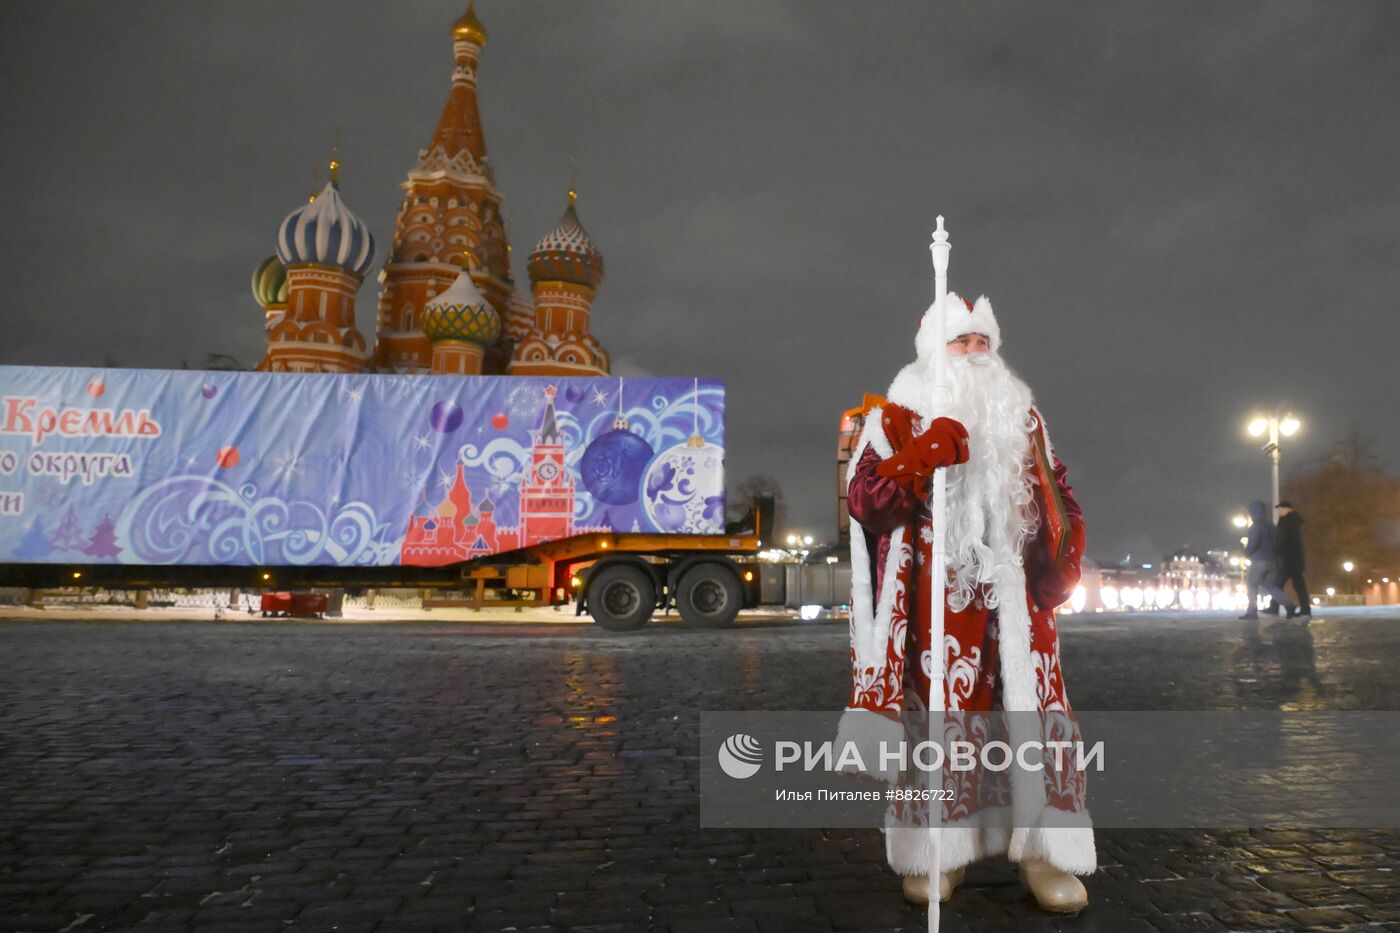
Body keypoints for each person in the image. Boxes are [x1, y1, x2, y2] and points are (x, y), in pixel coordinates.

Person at [838, 293, 1093, 914]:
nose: (976, 353)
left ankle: (1043, 854)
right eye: (962, 342)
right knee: (941, 720)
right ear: (933, 349)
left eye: (984, 342)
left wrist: (1065, 549)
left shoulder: (1022, 415)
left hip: (1014, 600)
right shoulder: (897, 414)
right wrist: (921, 455)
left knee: (1031, 720)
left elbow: (1056, 490)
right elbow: (866, 501)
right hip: (935, 602)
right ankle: (938, 854)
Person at [1240, 500, 1298, 620]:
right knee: (1271, 586)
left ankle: (1252, 611)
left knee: (1252, 585)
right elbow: (1278, 543)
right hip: (1273, 562)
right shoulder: (1271, 526)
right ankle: (1289, 605)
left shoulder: (1256, 526)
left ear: (1252, 513)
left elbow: (1253, 544)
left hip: (1259, 561)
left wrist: (1245, 554)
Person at [1269, 501, 1311, 617]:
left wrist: (1277, 551)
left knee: (1277, 584)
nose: (1279, 511)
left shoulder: (1286, 521)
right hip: (1295, 559)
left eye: (1281, 508)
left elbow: (1283, 540)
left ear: (1288, 509)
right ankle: (1305, 609)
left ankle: (1279, 607)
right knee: (1298, 585)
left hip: (1288, 559)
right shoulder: (1294, 521)